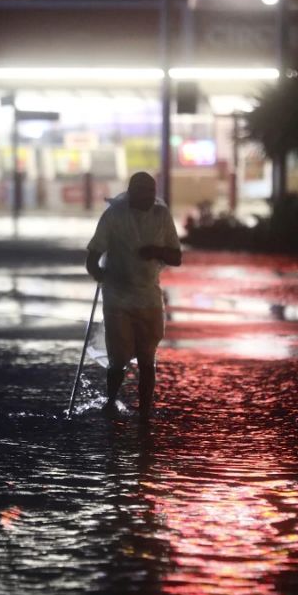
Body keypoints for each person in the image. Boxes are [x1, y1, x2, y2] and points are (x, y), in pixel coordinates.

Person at [85, 172, 182, 419]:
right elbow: (93, 255)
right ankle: (110, 400)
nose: (148, 196)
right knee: (118, 357)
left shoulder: (161, 216)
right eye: (142, 191)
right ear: (131, 191)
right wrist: (99, 274)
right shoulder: (114, 216)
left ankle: (145, 411)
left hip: (149, 295)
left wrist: (156, 250)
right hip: (117, 296)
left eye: (151, 191)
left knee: (148, 356)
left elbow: (176, 257)